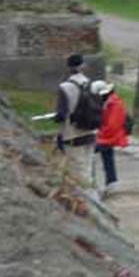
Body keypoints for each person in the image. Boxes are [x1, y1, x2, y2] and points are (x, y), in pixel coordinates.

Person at [54, 53, 97, 181]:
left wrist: (56, 119)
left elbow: (62, 115)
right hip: (91, 131)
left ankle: (86, 198)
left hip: (73, 134)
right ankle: (91, 193)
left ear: (68, 68)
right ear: (83, 66)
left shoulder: (64, 88)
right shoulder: (92, 84)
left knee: (77, 172)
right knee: (88, 168)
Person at [92, 80, 129, 191]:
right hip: (108, 136)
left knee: (89, 154)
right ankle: (111, 182)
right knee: (108, 159)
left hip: (108, 137)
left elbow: (111, 126)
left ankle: (95, 182)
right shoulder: (112, 102)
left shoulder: (113, 104)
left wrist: (99, 134)